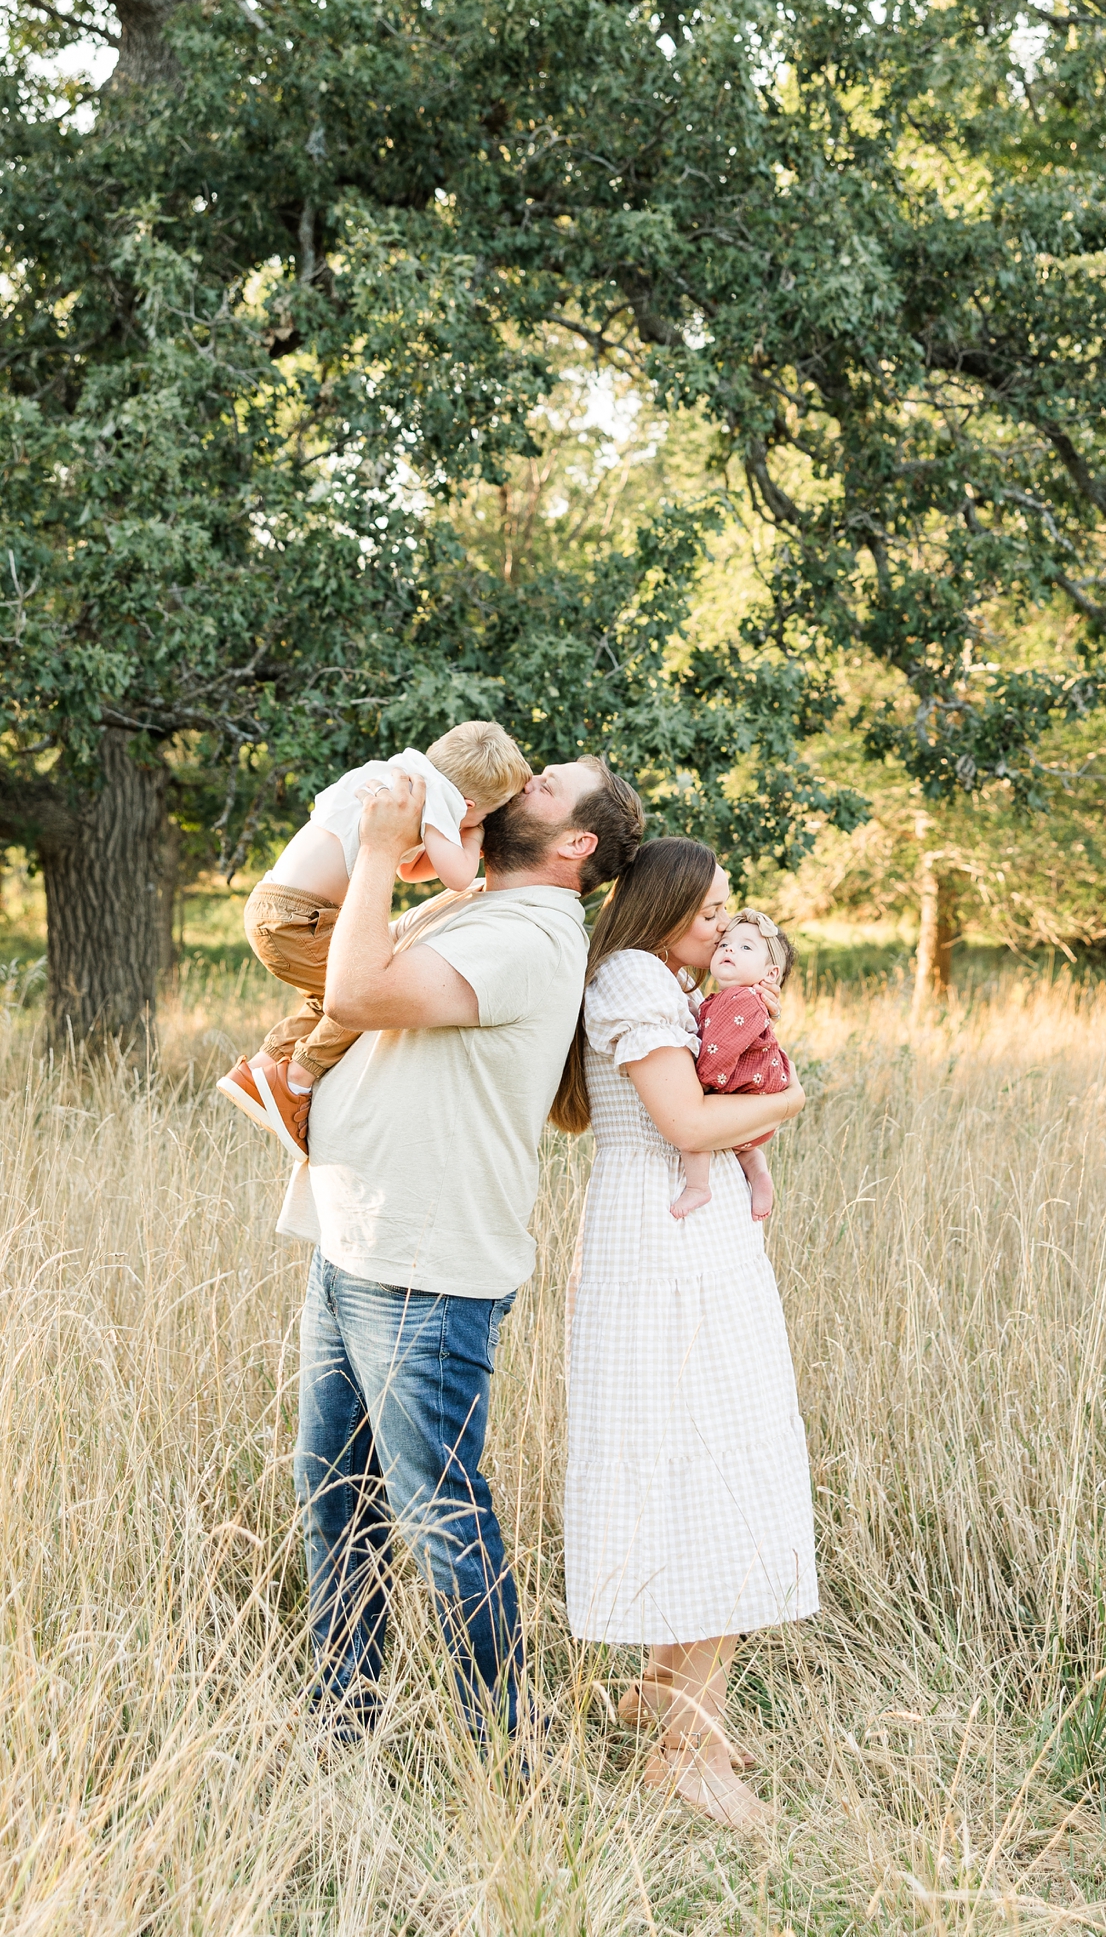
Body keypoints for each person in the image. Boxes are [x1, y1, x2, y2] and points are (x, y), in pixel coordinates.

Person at [280, 753, 646, 1744]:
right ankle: (343, 1719)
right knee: (335, 1493)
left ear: (577, 843)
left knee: (440, 1517)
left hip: (426, 1274)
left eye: (547, 783)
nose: (524, 777)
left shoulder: (531, 935)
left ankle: (503, 1750)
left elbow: (356, 992)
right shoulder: (477, 906)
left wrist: (381, 848)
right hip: (358, 1239)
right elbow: (328, 957)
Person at [553, 839, 816, 1830]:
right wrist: (793, 1095)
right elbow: (688, 1125)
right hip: (670, 1237)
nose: (724, 927)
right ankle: (685, 1749)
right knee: (710, 1465)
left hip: (680, 1234)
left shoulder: (661, 980)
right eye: (710, 911)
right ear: (662, 906)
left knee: (712, 1457)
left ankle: (670, 1693)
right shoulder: (630, 977)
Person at [217, 721, 532, 1157]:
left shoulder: (399, 774)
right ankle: (296, 1082)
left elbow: (408, 868)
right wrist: (474, 835)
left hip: (277, 906)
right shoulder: (437, 797)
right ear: (468, 804)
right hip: (301, 917)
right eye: (481, 816)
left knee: (328, 994)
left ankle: (262, 1068)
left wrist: (455, 837)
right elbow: (459, 878)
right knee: (367, 989)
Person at [669, 908, 795, 1222]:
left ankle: (698, 1185)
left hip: (742, 1093)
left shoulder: (738, 999)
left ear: (770, 974)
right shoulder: (742, 997)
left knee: (697, 1123)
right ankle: (757, 1170)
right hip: (756, 1104)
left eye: (745, 947)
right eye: (726, 943)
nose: (729, 949)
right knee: (743, 1147)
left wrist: (700, 1083)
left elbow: (718, 1052)